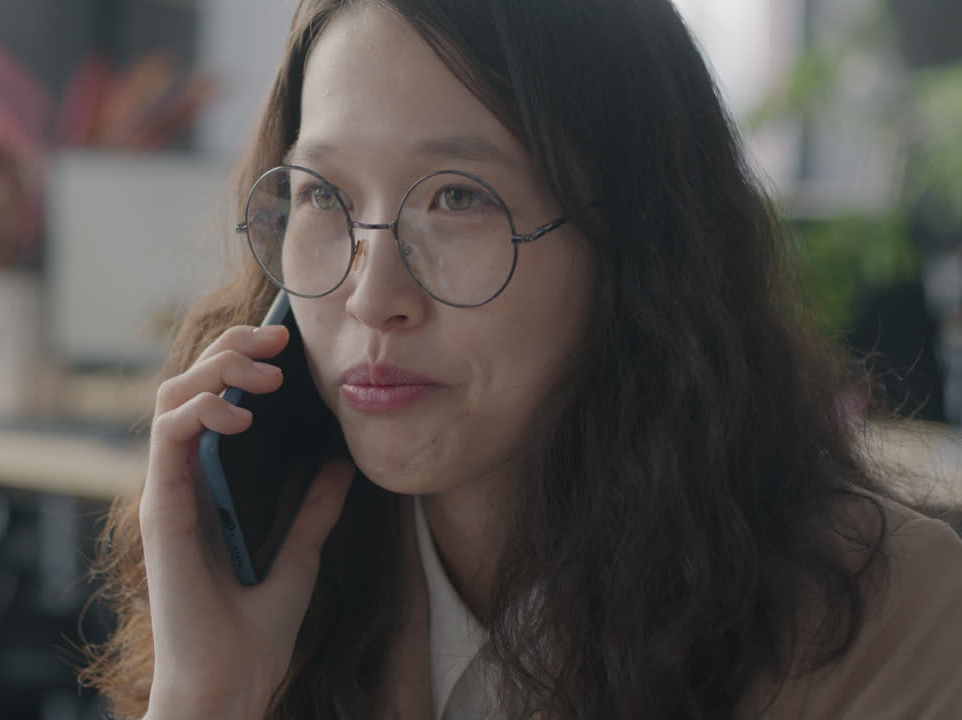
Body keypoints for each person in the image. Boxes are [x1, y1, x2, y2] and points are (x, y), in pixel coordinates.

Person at [83, 1, 962, 718]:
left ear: (637, 245)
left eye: (459, 198)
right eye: (323, 195)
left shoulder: (896, 615)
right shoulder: (294, 581)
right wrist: (209, 696)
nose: (369, 291)